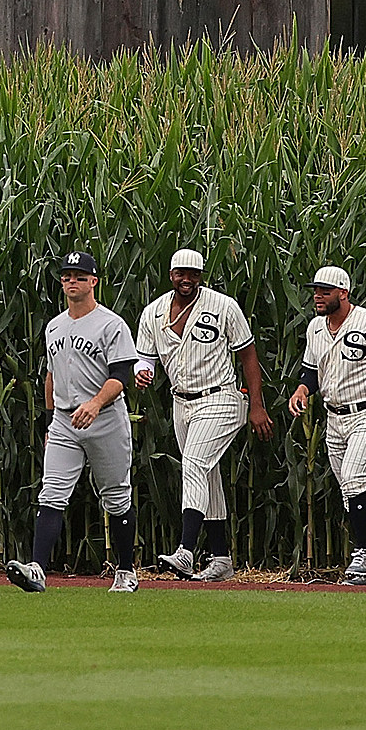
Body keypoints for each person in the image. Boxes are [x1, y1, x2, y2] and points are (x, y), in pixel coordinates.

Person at [6, 252, 141, 594]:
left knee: (116, 497)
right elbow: (51, 376)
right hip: (66, 420)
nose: (72, 281)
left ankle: (126, 572)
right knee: (51, 493)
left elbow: (121, 375)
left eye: (80, 276)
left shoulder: (111, 324)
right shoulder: (55, 326)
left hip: (105, 418)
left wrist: (95, 403)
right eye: (67, 276)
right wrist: (52, 419)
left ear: (94, 281)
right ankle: (37, 569)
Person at [135, 249, 270, 582]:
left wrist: (257, 405)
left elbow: (248, 355)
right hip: (181, 402)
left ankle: (185, 550)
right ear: (171, 274)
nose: (187, 280)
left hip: (220, 397)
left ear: (201, 276)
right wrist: (142, 372)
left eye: (194, 274)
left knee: (194, 463)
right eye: (181, 273)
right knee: (206, 476)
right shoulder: (153, 313)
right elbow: (145, 358)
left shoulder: (223, 306)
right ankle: (222, 558)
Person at [285, 265, 366, 586]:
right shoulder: (315, 328)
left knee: (353, 479)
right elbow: (311, 370)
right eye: (316, 290)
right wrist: (302, 389)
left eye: (325, 291)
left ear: (343, 293)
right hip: (334, 418)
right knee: (349, 492)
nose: (317, 296)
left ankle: (365, 553)